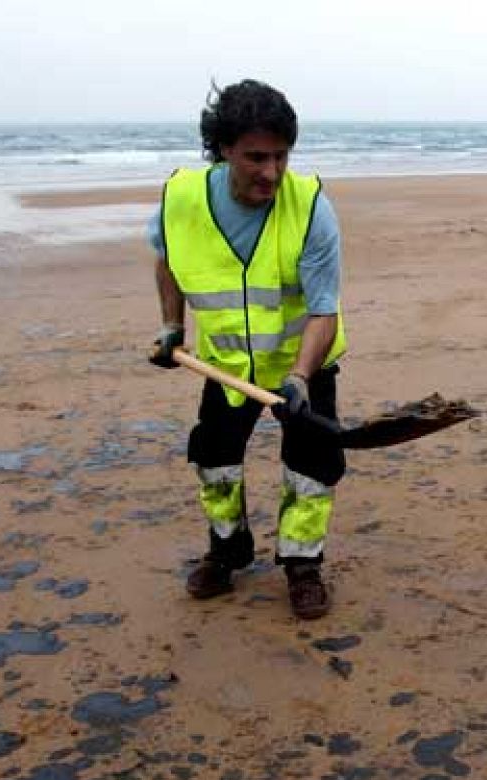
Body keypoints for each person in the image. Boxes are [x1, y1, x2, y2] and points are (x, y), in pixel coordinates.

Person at [146, 79, 347, 620]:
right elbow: (166, 258)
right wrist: (171, 327)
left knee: (311, 466)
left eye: (282, 156)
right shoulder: (182, 198)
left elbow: (323, 308)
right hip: (226, 364)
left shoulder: (309, 207)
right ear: (224, 150)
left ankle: (302, 564)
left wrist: (302, 376)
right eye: (256, 157)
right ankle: (227, 550)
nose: (272, 173)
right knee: (214, 461)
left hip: (303, 364)